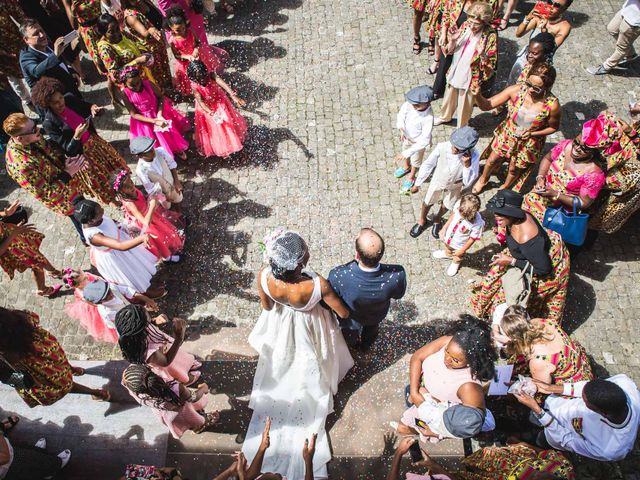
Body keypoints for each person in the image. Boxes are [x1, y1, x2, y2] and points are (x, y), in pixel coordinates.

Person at [242, 229, 354, 479]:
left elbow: (267, 306)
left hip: (282, 324)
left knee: (285, 360)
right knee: (313, 358)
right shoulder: (317, 285)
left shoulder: (264, 276)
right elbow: (343, 313)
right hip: (309, 326)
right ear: (300, 262)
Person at [471, 189, 570, 324]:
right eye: (496, 212)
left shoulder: (526, 237)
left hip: (539, 266)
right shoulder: (513, 219)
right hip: (523, 256)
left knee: (515, 300)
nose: (496, 216)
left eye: (501, 214)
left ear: (512, 214)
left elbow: (543, 269)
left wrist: (511, 261)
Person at [392, 316, 497, 442]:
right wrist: (414, 392)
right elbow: (417, 357)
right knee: (409, 401)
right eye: (447, 352)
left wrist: (437, 433)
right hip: (418, 393)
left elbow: (468, 425)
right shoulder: (449, 341)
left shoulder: (470, 387)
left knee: (412, 425)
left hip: (433, 415)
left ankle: (414, 431)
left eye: (455, 360)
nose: (446, 359)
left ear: (472, 361)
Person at [31, 76, 129, 206]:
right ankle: (117, 204)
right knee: (101, 182)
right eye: (55, 102)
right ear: (47, 104)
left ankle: (126, 190)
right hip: (83, 156)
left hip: (95, 144)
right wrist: (76, 136)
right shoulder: (49, 123)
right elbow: (67, 149)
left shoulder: (70, 99)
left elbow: (86, 107)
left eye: (60, 98)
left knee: (114, 169)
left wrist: (93, 108)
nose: (61, 103)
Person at [472, 63, 561, 193]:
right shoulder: (516, 90)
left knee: (513, 169)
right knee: (491, 160)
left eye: (537, 88)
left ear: (547, 87)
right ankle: (483, 180)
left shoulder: (553, 105)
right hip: (508, 134)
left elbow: (553, 128)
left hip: (529, 142)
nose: (530, 90)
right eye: (529, 84)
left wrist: (533, 134)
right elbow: (486, 106)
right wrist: (478, 95)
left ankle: (504, 188)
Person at [514, 374, 640, 462]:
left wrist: (538, 411)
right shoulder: (624, 383)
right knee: (529, 419)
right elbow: (588, 387)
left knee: (540, 439)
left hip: (556, 434)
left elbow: (567, 440)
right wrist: (550, 388)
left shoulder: (609, 448)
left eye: (585, 403)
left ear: (603, 413)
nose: (581, 400)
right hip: (555, 405)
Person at [3, 113, 88, 242]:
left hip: (69, 184)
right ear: (19, 138)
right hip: (63, 197)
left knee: (83, 209)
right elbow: (48, 193)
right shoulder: (21, 165)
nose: (38, 130)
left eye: (35, 125)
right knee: (80, 217)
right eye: (33, 130)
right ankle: (88, 238)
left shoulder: (32, 135)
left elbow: (49, 151)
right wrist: (68, 172)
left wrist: (66, 161)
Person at [0, 307, 110, 406]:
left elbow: (14, 362)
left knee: (63, 384)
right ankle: (75, 370)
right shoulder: (17, 318)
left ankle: (98, 393)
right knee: (62, 361)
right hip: (48, 348)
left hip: (42, 366)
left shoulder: (8, 351)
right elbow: (34, 317)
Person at [328, 228, 407, 352]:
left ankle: (352, 346)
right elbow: (398, 294)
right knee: (371, 332)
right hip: (375, 316)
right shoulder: (397, 275)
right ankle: (365, 347)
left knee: (349, 334)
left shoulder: (338, 275)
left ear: (357, 255)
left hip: (351, 317)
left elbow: (332, 297)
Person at [522, 118, 607, 224]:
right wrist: (540, 179)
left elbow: (583, 203)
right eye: (576, 142)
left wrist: (555, 194)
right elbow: (548, 159)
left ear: (595, 152)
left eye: (584, 148)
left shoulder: (594, 175)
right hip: (535, 199)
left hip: (556, 214)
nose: (576, 148)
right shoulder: (565, 145)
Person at [73, 197, 159, 294]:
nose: (102, 210)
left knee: (139, 263)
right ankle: (146, 292)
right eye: (99, 212)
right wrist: (141, 238)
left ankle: (147, 278)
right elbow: (120, 246)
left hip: (121, 239)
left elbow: (108, 222)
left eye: (100, 207)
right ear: (91, 221)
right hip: (116, 255)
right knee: (132, 272)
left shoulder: (95, 216)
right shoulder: (94, 236)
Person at [434, 2, 497, 128]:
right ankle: (445, 116)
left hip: (471, 75)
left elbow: (491, 64)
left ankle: (462, 126)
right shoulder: (464, 26)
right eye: (471, 22)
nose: (472, 26)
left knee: (465, 101)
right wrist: (452, 40)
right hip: (457, 67)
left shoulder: (490, 35)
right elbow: (449, 51)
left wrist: (482, 53)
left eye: (477, 24)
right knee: (449, 94)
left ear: (484, 23)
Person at [409, 126, 480, 238]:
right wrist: (418, 183)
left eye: (459, 148)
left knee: (448, 204)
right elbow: (428, 164)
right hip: (438, 179)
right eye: (454, 145)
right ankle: (422, 220)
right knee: (428, 201)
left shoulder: (474, 156)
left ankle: (437, 219)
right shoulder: (442, 147)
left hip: (456, 185)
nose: (454, 149)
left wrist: (467, 166)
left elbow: (468, 182)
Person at [387, 437, 574, 480]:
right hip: (500, 461)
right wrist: (523, 445)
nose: (534, 470)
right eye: (537, 471)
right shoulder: (564, 469)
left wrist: (397, 454)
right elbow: (546, 454)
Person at [499, 305, 593, 385]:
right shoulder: (539, 322)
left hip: (573, 383)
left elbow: (542, 386)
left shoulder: (537, 361)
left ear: (514, 338)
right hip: (576, 361)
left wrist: (517, 384)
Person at [122, 364, 217, 439]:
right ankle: (200, 425)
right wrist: (203, 389)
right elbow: (193, 397)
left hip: (167, 413)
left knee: (184, 421)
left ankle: (194, 426)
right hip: (182, 409)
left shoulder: (135, 391)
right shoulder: (174, 388)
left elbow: (125, 380)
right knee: (193, 418)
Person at [63, 269, 160, 343]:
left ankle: (150, 323)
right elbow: (121, 326)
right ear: (99, 302)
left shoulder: (109, 287)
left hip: (129, 308)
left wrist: (146, 299)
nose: (111, 294)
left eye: (109, 290)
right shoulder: (107, 314)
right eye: (107, 296)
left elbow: (126, 290)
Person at [115, 304, 202, 385]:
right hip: (166, 363)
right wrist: (179, 338)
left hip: (164, 350)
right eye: (148, 316)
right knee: (177, 370)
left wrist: (155, 321)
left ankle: (188, 364)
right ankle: (186, 379)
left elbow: (148, 323)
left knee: (181, 359)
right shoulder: (148, 351)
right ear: (143, 325)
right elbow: (166, 362)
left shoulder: (132, 331)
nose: (150, 315)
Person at [111, 170, 184, 262]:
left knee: (163, 231)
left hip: (150, 216)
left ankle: (170, 246)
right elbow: (145, 223)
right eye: (127, 187)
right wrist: (152, 206)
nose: (131, 186)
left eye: (131, 182)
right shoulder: (129, 203)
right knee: (158, 239)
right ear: (121, 191)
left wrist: (151, 197)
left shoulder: (133, 190)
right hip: (145, 223)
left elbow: (141, 199)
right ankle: (167, 257)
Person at [121, 67, 190, 161]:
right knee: (154, 140)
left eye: (138, 83)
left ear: (141, 79)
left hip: (158, 112)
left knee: (168, 134)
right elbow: (133, 114)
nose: (136, 87)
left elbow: (161, 98)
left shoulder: (148, 84)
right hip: (143, 121)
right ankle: (160, 157)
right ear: (125, 84)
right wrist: (153, 121)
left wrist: (159, 115)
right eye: (132, 85)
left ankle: (176, 149)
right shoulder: (125, 94)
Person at [187, 60, 247, 158]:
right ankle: (224, 147)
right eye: (199, 78)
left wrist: (233, 95)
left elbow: (223, 84)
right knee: (217, 129)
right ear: (194, 78)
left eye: (203, 76)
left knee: (228, 120)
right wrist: (211, 112)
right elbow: (201, 102)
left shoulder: (211, 75)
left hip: (220, 101)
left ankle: (233, 140)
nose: (202, 80)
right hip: (208, 107)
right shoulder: (194, 86)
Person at [165, 7, 229, 97]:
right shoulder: (172, 41)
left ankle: (210, 85)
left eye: (183, 28)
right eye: (178, 30)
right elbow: (176, 55)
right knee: (192, 80)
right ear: (171, 28)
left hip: (199, 56)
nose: (182, 31)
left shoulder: (190, 31)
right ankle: (198, 93)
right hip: (186, 63)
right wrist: (187, 56)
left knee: (205, 72)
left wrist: (196, 49)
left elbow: (198, 43)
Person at [18, 18, 81, 99]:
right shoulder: (25, 57)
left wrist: (71, 71)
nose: (42, 35)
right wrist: (55, 54)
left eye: (41, 30)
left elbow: (59, 60)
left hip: (67, 86)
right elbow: (37, 71)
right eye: (36, 33)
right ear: (26, 39)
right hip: (54, 99)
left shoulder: (45, 42)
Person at [0, 221, 64, 298]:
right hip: (9, 248)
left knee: (37, 255)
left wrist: (6, 213)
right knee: (36, 264)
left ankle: (52, 271)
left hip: (12, 237)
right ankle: (42, 290)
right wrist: (14, 233)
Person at [512, 0, 572, 81]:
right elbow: (518, 34)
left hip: (540, 65)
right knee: (512, 83)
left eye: (557, 5)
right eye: (550, 2)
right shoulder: (538, 18)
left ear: (564, 9)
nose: (551, 7)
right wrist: (527, 18)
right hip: (525, 57)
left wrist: (544, 30)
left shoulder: (564, 26)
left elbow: (551, 49)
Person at [96, 13, 154, 92]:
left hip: (143, 75)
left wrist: (144, 51)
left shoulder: (122, 34)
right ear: (103, 33)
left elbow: (136, 42)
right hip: (132, 86)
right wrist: (137, 61)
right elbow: (116, 75)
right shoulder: (105, 48)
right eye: (111, 32)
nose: (116, 33)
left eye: (117, 28)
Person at [121, 1, 172, 90]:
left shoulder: (142, 3)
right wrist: (151, 29)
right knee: (158, 73)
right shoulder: (130, 15)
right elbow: (144, 33)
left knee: (166, 68)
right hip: (150, 48)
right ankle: (163, 93)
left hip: (158, 43)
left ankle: (170, 87)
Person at [433, 193, 485, 276]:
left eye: (465, 216)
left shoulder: (477, 223)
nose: (462, 216)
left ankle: (456, 262)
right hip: (449, 236)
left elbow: (473, 238)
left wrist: (462, 250)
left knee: (458, 255)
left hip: (460, 244)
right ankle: (448, 254)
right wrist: (444, 228)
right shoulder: (460, 205)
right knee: (447, 246)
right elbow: (453, 215)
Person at [394, 85, 434, 190]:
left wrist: (407, 152)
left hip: (417, 144)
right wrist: (401, 128)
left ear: (427, 104)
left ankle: (411, 176)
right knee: (405, 152)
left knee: (416, 161)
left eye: (417, 105)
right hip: (407, 138)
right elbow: (401, 115)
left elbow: (424, 140)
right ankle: (406, 167)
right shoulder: (409, 104)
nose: (413, 106)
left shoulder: (428, 118)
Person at [587, 0, 640, 75]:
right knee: (612, 29)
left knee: (622, 48)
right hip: (627, 10)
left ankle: (606, 67)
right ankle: (631, 55)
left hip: (633, 21)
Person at [132, 136, 184, 211]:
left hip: (173, 184)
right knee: (167, 207)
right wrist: (163, 197)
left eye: (152, 148)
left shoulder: (160, 152)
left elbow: (171, 164)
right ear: (139, 156)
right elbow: (150, 188)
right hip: (161, 193)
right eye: (148, 152)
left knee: (178, 199)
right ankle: (174, 216)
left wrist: (177, 181)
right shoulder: (141, 170)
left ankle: (180, 212)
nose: (152, 152)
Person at [0, 430, 72, 480]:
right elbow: (5, 457)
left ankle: (39, 452)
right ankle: (54, 467)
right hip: (9, 464)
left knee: (29, 449)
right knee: (30, 462)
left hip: (9, 448)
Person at [0, 2, 32, 109]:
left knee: (30, 66)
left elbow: (18, 13)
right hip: (3, 57)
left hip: (17, 43)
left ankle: (42, 91)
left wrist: (28, 30)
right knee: (14, 79)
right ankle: (27, 100)